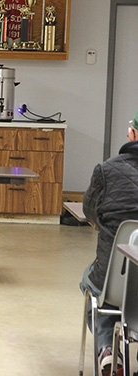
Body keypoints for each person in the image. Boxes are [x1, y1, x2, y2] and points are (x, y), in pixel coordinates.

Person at [80, 110, 138, 375]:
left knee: (91, 282)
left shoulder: (107, 170)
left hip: (115, 280)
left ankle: (107, 350)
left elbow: (90, 212)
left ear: (132, 134)